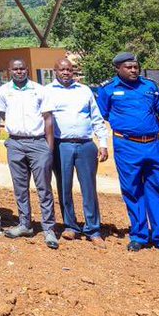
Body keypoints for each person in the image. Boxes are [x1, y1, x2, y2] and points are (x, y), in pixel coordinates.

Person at [97, 52, 159, 257]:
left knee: (157, 190)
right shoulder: (108, 90)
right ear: (118, 69)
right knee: (132, 191)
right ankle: (139, 235)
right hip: (126, 146)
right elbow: (103, 116)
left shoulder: (150, 87)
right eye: (129, 67)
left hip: (152, 146)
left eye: (136, 66)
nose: (134, 70)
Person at [0, 59, 59, 249]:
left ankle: (49, 229)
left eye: (22, 68)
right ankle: (25, 224)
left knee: (44, 188)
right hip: (15, 143)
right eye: (15, 69)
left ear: (27, 70)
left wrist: (49, 148)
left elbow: (48, 119)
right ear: (9, 71)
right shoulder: (3, 91)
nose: (19, 71)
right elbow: (1, 113)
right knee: (20, 187)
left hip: (38, 143)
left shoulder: (39, 90)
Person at [45, 58, 109, 243]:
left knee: (89, 187)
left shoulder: (84, 90)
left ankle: (93, 229)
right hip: (61, 145)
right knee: (64, 187)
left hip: (86, 145)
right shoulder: (47, 92)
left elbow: (96, 117)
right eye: (62, 69)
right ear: (55, 71)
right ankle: (70, 225)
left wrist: (103, 142)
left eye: (69, 70)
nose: (66, 73)